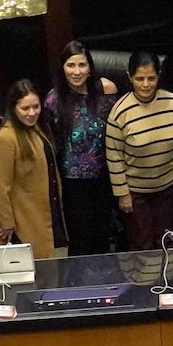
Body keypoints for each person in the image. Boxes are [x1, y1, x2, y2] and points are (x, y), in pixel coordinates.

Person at [43, 41, 118, 256]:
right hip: (72, 182)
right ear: (62, 68)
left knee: (103, 236)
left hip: (105, 177)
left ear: (90, 67)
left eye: (82, 65)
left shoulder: (106, 89)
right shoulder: (53, 99)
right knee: (80, 239)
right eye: (71, 65)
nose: (77, 72)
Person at [106, 52, 173, 251]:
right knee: (143, 246)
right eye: (140, 79)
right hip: (136, 195)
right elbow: (114, 157)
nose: (146, 84)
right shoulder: (119, 111)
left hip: (168, 189)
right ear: (129, 77)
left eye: (151, 78)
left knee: (167, 243)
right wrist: (123, 194)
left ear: (159, 75)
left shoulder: (171, 102)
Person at [0, 79, 67, 259]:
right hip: (24, 217)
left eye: (36, 106)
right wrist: (7, 223)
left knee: (48, 262)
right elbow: (1, 186)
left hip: (45, 210)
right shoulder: (5, 138)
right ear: (13, 108)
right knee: (30, 266)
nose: (32, 113)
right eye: (25, 108)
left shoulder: (38, 128)